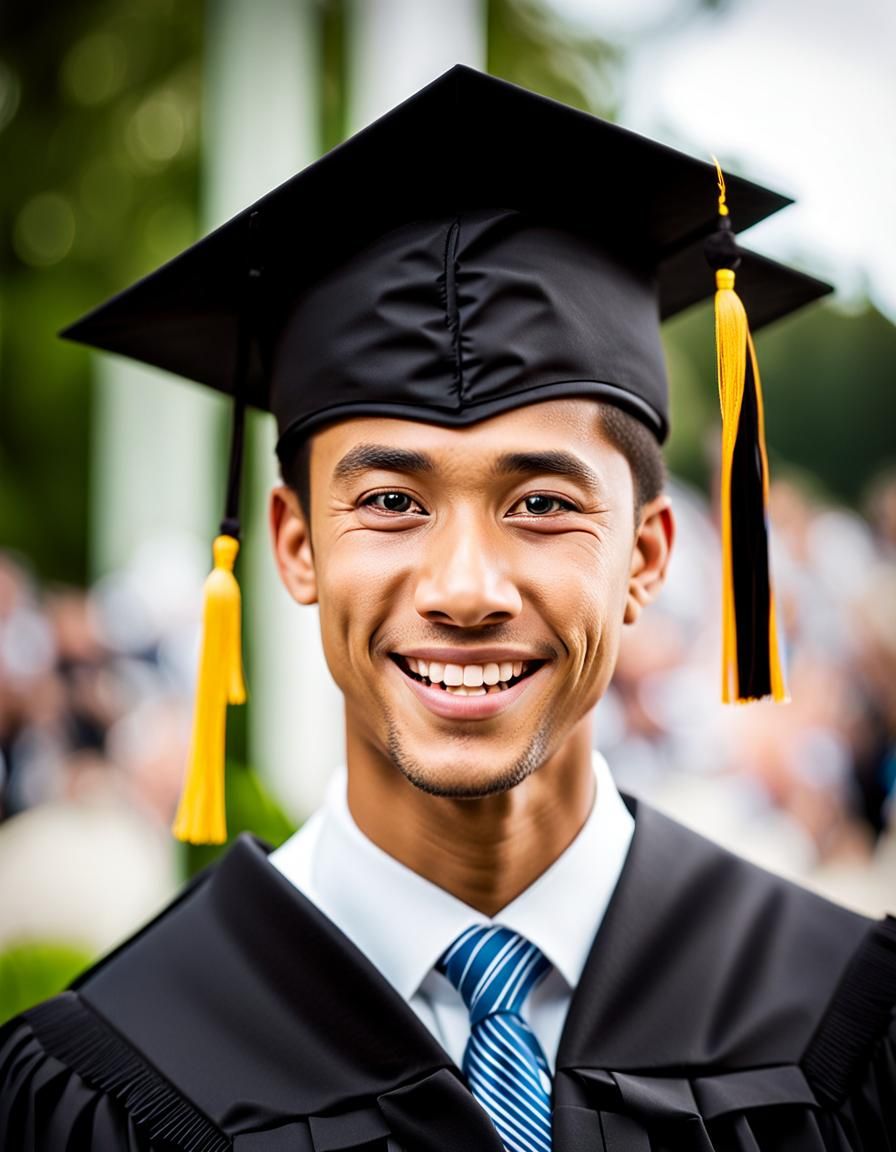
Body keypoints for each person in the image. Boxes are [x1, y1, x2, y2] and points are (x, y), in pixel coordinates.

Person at [1, 65, 893, 1152]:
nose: (465, 589)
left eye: (541, 503)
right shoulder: (108, 1082)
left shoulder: (841, 1023)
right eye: (390, 502)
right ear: (295, 545)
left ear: (647, 557)